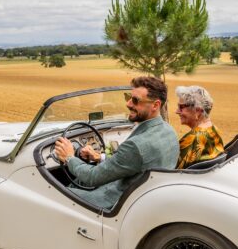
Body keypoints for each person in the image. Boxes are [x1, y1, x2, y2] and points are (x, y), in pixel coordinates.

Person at [54, 76, 179, 209]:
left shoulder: (135, 145)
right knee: (78, 181)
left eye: (136, 100)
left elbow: (92, 176)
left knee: (54, 193)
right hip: (143, 198)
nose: (128, 104)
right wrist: (99, 157)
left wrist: (69, 157)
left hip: (115, 202)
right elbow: (132, 163)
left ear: (155, 105)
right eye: (128, 97)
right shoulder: (169, 131)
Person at [174, 85, 224, 169]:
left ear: (197, 111)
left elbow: (173, 172)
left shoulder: (192, 139)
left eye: (181, 107)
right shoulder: (214, 130)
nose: (177, 111)